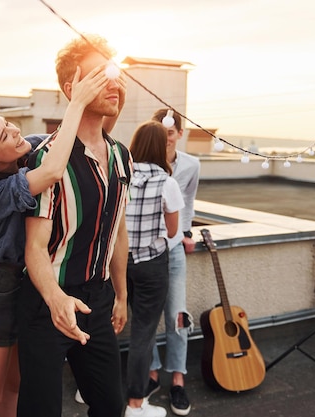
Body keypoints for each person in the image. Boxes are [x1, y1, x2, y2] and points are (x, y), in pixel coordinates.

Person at [0, 62, 113, 417]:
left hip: (34, 284)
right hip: (1, 288)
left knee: (16, 388)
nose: (15, 134)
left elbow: (70, 142)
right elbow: (52, 171)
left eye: (8, 125)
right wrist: (75, 103)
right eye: (3, 137)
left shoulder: (26, 148)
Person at [19, 34, 132, 417]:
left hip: (98, 300)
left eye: (114, 73)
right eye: (100, 75)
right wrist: (56, 300)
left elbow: (117, 230)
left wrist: (121, 294)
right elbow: (34, 247)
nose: (113, 82)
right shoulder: (46, 159)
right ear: (73, 88)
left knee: (110, 406)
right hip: (47, 301)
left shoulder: (122, 156)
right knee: (41, 410)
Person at [124, 120, 184, 417]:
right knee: (143, 334)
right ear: (161, 146)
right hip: (151, 265)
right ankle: (135, 404)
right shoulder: (167, 182)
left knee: (107, 327)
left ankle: (93, 391)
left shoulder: (119, 175)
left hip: (118, 263)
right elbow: (173, 232)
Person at [146, 109, 200, 416]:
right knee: (148, 314)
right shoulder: (141, 165)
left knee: (177, 315)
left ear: (179, 133)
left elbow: (189, 201)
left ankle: (178, 379)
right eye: (160, 131)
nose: (165, 137)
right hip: (147, 251)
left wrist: (187, 231)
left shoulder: (192, 164)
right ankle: (152, 374)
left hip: (176, 249)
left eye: (170, 131)